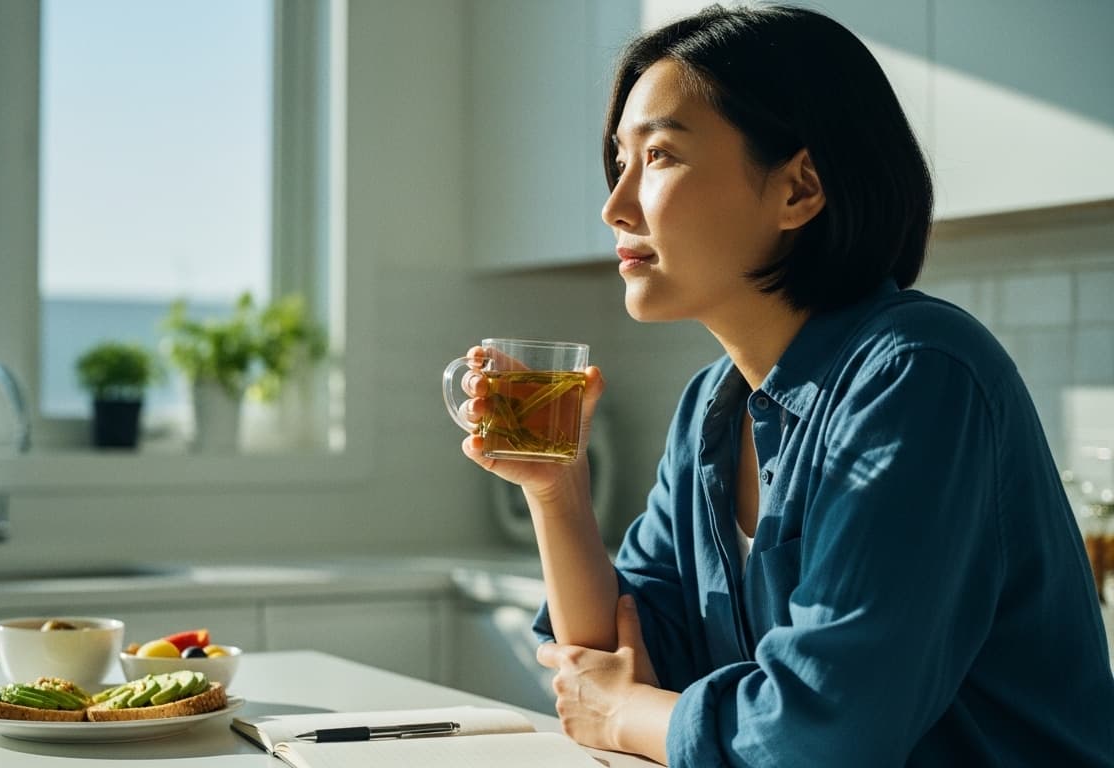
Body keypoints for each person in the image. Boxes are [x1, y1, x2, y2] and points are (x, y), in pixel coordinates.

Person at [453, 5, 1114, 766]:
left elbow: (824, 732)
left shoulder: (918, 374)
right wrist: (555, 490)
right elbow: (617, 658)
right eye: (620, 160)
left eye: (661, 156)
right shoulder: (713, 405)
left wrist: (624, 714)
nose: (615, 205)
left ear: (799, 188)